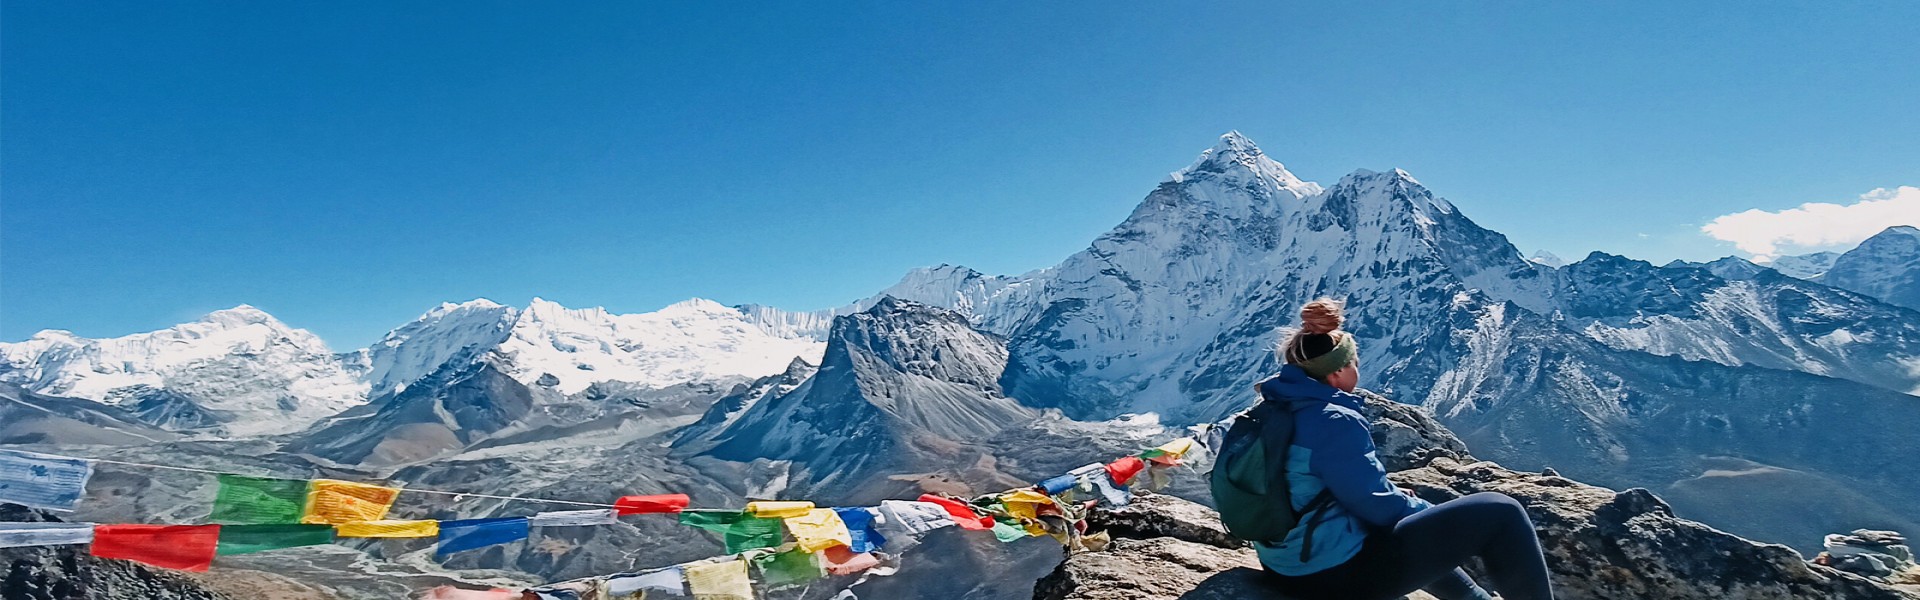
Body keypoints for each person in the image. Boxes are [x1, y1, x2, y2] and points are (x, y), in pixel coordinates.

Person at [1254, 299, 1555, 600]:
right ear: (1337, 373)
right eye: (1354, 362)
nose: (1358, 368)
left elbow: (1318, 485)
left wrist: (1401, 502)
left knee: (1404, 515)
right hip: (1332, 577)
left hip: (1285, 564)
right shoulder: (1333, 420)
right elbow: (1378, 507)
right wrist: (1427, 510)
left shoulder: (1272, 409)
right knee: (1502, 511)